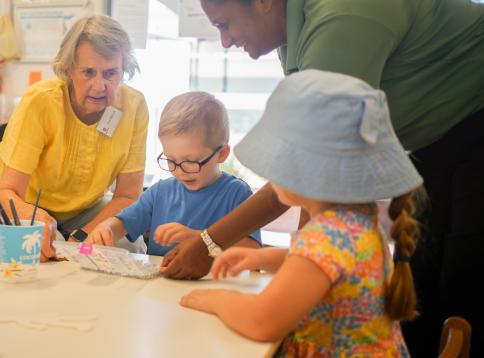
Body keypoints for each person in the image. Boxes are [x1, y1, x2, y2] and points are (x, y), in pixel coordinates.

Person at [163, 0, 484, 355]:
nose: (225, 40)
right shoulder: (355, 228)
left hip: (472, 132)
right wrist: (277, 257)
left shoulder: (340, 20)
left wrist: (210, 277)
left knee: (462, 282)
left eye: (225, 23)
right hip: (441, 141)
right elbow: (325, 258)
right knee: (429, 295)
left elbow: (263, 319)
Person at [180, 70, 423, 356]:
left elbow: (262, 321)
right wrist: (262, 258)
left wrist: (215, 300)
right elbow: (326, 270)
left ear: (311, 168)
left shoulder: (327, 236)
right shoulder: (356, 221)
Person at [0, 15, 148, 256]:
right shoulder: (41, 101)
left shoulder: (134, 106)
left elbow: (128, 196)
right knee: (45, 246)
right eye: (88, 72)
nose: (99, 86)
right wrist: (43, 223)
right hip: (12, 201)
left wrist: (82, 236)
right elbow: (7, 192)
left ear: (124, 70)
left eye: (110, 73)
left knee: (127, 244)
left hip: (82, 210)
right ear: (69, 69)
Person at [86, 92, 262, 254]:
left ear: (222, 154)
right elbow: (123, 223)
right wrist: (107, 228)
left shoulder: (237, 194)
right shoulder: (160, 192)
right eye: (171, 160)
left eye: (191, 162)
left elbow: (252, 249)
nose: (179, 171)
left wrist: (197, 238)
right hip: (160, 285)